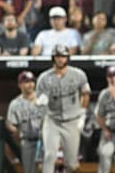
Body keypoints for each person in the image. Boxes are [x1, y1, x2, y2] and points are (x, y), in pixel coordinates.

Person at [36, 44, 91, 173]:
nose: (60, 59)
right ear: (53, 58)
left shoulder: (78, 74)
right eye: (58, 56)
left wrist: (82, 115)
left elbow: (86, 94)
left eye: (63, 56)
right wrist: (41, 102)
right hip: (52, 120)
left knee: (72, 163)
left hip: (72, 121)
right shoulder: (44, 78)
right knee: (49, 156)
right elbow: (40, 100)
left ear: (68, 58)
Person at [6, 71, 46, 173]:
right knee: (29, 171)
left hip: (44, 139)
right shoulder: (15, 104)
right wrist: (15, 130)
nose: (30, 84)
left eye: (32, 81)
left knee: (46, 169)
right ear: (20, 85)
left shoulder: (43, 99)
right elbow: (11, 124)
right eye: (26, 82)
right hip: (27, 141)